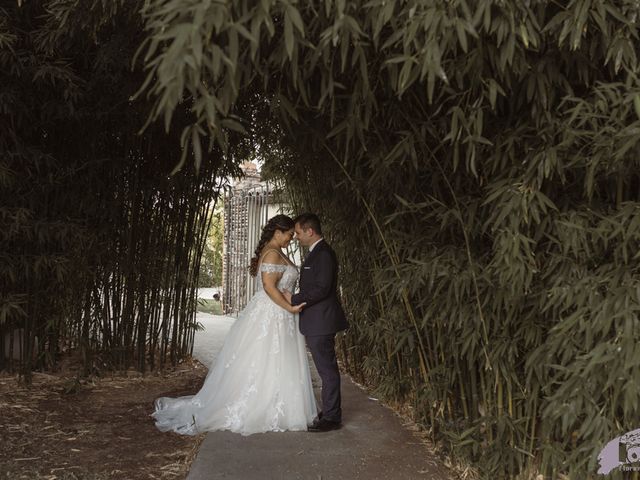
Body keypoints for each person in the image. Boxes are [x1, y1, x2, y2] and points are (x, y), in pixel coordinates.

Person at [152, 214, 317, 436]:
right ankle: (263, 406)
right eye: (289, 234)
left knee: (278, 360)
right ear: (278, 232)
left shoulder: (276, 251)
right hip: (273, 313)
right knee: (267, 358)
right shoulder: (271, 253)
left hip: (279, 313)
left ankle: (282, 404)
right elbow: (269, 287)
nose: (292, 238)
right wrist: (289, 308)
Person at [284, 213, 348, 432]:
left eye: (299, 233)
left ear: (310, 232)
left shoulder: (323, 254)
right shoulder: (317, 253)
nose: (297, 238)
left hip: (322, 321)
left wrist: (294, 298)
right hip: (317, 320)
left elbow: (321, 288)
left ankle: (332, 418)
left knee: (327, 370)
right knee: (325, 368)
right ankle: (330, 411)